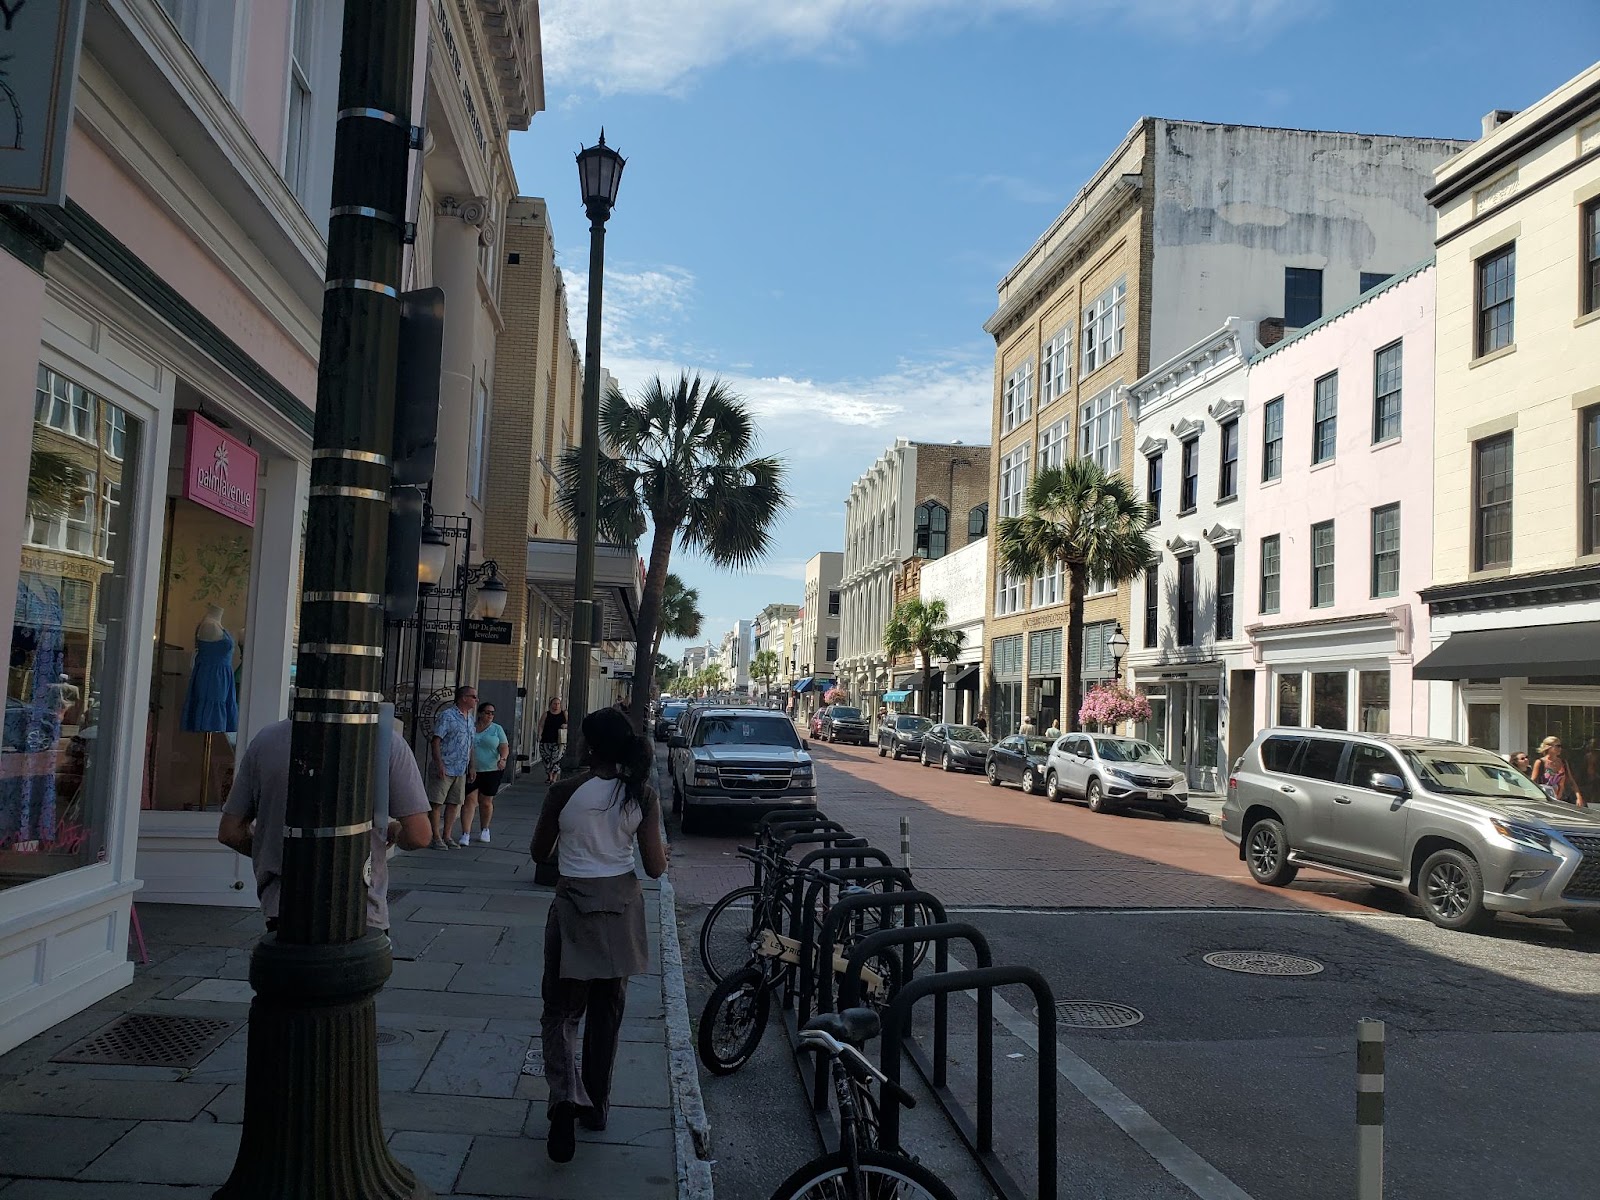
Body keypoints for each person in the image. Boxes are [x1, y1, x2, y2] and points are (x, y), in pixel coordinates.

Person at [531, 707, 668, 1163]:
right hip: (622, 908)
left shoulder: (565, 791)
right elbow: (654, 866)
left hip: (573, 906)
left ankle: (565, 1098)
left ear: (589, 747)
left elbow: (538, 850)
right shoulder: (640, 795)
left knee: (561, 1011)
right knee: (608, 1012)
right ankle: (598, 1106)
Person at [217, 719, 433, 931]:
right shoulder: (384, 741)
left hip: (283, 906)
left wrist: (279, 856)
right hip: (360, 908)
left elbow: (230, 832)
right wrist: (395, 831)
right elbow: (419, 835)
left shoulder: (266, 740)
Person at [429, 685, 476, 848]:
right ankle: (435, 837)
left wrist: (471, 766)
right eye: (473, 697)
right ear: (464, 698)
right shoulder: (447, 716)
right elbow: (436, 740)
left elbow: (470, 744)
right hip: (446, 766)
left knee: (454, 803)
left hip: (460, 768)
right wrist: (439, 763)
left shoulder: (470, 718)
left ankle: (447, 835)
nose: (476, 700)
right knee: (436, 802)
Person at [458, 701, 509, 846]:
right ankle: (465, 833)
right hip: (471, 769)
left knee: (486, 802)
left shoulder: (496, 729)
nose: (490, 715)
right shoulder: (471, 727)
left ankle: (485, 829)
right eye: (487, 712)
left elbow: (504, 746)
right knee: (469, 800)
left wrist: (503, 759)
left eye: (492, 713)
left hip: (491, 769)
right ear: (480, 713)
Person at [1532, 735, 1587, 807]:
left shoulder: (1563, 762)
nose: (1560, 748)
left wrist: (1578, 797)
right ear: (1548, 747)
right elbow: (1533, 781)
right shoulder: (1540, 762)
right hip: (1545, 800)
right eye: (1558, 746)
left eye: (1560, 746)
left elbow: (1571, 781)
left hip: (1561, 800)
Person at [539, 697, 568, 784]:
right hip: (546, 739)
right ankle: (549, 776)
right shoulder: (546, 714)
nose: (556, 705)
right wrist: (539, 734)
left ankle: (554, 778)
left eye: (558, 704)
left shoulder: (564, 714)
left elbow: (569, 723)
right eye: (554, 703)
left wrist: (565, 726)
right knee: (547, 759)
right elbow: (541, 725)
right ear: (551, 705)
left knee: (556, 759)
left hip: (559, 740)